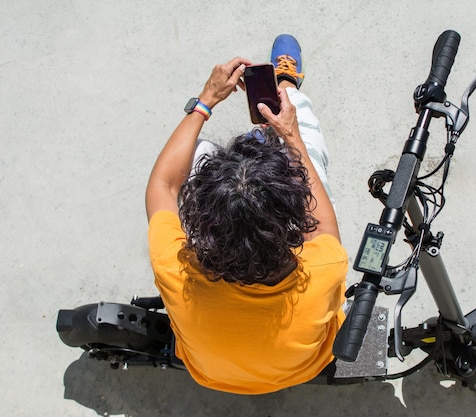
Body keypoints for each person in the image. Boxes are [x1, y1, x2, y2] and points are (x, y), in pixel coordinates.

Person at [145, 34, 348, 394]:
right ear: (294, 217)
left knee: (200, 150)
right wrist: (293, 138)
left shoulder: (175, 270)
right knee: (308, 147)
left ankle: (284, 91)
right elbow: (322, 224)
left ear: (202, 218)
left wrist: (205, 101)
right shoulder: (323, 271)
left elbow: (163, 185)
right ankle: (287, 86)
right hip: (302, 369)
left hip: (210, 374)